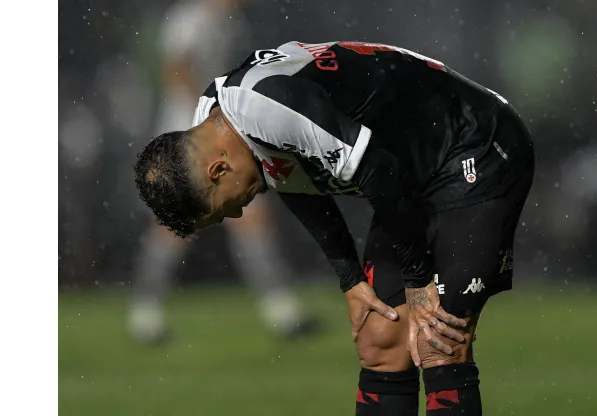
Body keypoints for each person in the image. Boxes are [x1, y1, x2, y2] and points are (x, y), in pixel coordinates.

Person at [133, 41, 534, 415]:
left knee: (439, 341)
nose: (235, 216)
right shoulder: (212, 121)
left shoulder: (265, 108)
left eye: (222, 210)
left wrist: (417, 282)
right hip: (411, 176)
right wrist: (350, 279)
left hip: (475, 147)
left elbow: (378, 170)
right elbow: (290, 175)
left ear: (218, 170)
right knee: (379, 338)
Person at [128, 0, 317, 343]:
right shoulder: (189, 18)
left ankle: (282, 310)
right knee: (174, 228)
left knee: (252, 219)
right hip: (188, 136)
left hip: (220, 133)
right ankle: (145, 312)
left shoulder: (230, 21)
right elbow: (175, 71)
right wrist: (210, 110)